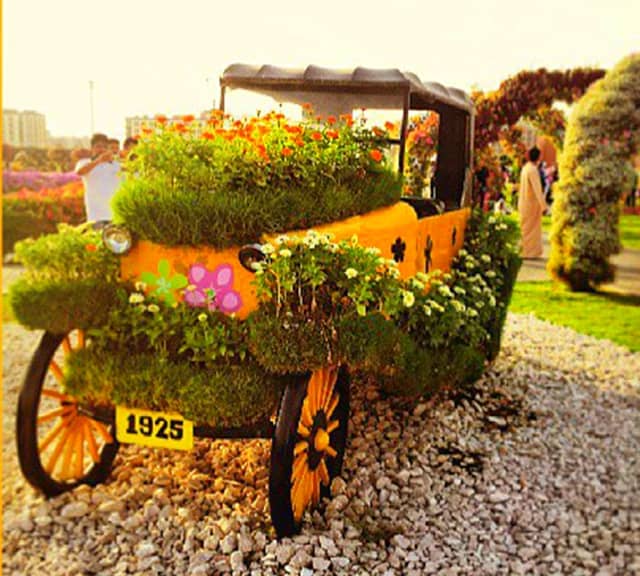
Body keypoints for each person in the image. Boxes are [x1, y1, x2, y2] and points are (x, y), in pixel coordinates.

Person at [75, 133, 121, 224]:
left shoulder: (115, 164)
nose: (102, 149)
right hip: (96, 214)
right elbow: (80, 172)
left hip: (115, 214)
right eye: (98, 146)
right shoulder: (84, 162)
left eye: (105, 147)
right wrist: (99, 160)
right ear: (92, 148)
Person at [518, 147, 547, 259]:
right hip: (531, 203)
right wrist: (543, 206)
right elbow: (537, 189)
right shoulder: (533, 170)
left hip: (524, 201)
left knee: (525, 228)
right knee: (531, 229)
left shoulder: (526, 168)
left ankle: (525, 251)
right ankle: (529, 252)